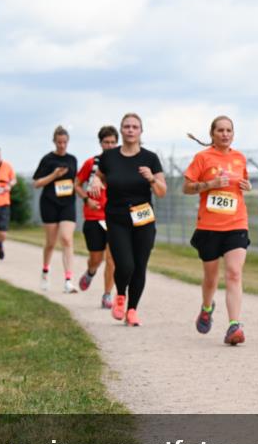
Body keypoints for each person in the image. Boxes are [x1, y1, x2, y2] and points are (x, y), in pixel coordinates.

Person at [88, 112, 166, 327]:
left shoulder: (150, 158)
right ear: (121, 130)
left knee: (140, 265)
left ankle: (132, 309)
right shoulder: (110, 157)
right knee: (125, 264)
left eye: (135, 127)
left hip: (143, 218)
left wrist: (151, 178)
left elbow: (162, 191)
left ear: (141, 131)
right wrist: (95, 182)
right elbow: (99, 176)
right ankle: (120, 294)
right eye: (127, 126)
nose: (131, 130)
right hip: (117, 218)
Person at [183, 116, 252, 345]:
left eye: (229, 130)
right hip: (209, 227)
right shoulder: (202, 158)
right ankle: (206, 307)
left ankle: (234, 326)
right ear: (212, 134)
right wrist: (210, 185)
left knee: (234, 272)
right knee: (211, 278)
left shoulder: (239, 158)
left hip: (236, 223)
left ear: (233, 133)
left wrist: (247, 186)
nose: (225, 134)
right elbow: (187, 187)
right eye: (220, 130)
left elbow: (243, 184)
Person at [75, 125, 119, 308]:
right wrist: (87, 199)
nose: (109, 145)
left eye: (113, 142)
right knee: (97, 258)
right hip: (94, 217)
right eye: (106, 142)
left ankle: (107, 294)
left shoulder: (122, 164)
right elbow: (76, 184)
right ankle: (91, 272)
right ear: (100, 143)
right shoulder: (91, 164)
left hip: (114, 217)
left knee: (112, 259)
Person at [33, 126, 79, 293]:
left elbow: (76, 181)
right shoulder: (47, 160)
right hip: (49, 203)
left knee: (66, 239)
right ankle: (45, 271)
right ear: (54, 142)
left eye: (65, 142)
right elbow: (36, 183)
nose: (62, 145)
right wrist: (54, 175)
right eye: (59, 142)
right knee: (51, 243)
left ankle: (68, 280)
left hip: (67, 203)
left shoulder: (72, 159)